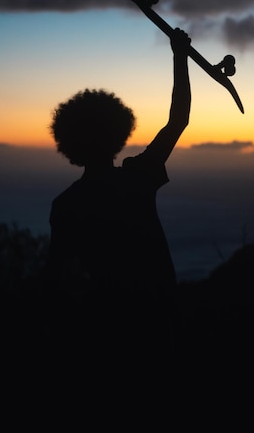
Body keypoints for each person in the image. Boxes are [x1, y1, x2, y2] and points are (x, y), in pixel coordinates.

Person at [45, 28, 191, 375]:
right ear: (117, 133)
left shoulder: (66, 204)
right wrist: (179, 57)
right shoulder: (137, 177)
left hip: (101, 330)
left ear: (69, 143)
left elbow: (53, 281)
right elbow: (178, 120)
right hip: (156, 321)